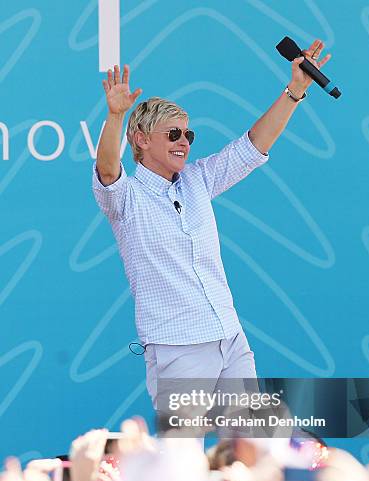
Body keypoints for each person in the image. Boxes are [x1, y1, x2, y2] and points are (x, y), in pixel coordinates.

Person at [92, 40, 331, 410]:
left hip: (229, 337)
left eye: (188, 135)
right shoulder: (127, 198)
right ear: (141, 140)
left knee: (250, 451)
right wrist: (115, 116)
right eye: (173, 134)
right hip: (178, 348)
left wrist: (295, 90)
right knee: (181, 456)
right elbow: (108, 168)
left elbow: (253, 146)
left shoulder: (197, 180)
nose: (184, 142)